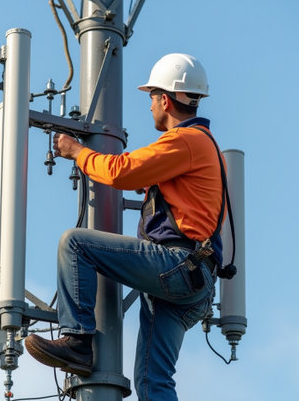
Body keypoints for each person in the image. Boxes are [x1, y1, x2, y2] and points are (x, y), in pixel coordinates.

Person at [24, 53, 226, 401]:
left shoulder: (185, 141)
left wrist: (76, 152)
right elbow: (153, 181)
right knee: (153, 382)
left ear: (165, 99)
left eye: (151, 97)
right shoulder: (203, 145)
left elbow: (121, 171)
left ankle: (77, 342)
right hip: (195, 280)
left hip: (178, 265)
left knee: (75, 244)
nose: (149, 106)